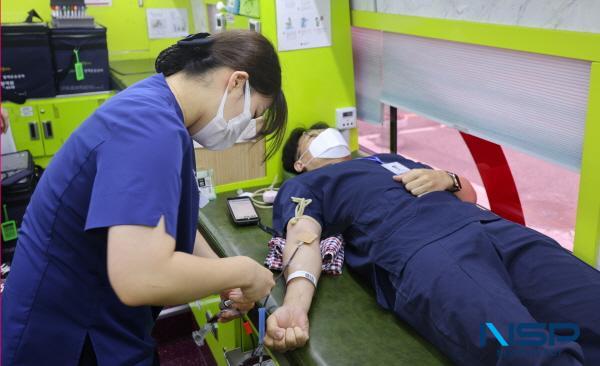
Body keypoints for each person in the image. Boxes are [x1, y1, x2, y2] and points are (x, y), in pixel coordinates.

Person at [2, 30, 285, 365]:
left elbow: (158, 220)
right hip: (67, 335)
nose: (243, 128)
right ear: (237, 82)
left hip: (90, 312)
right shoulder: (150, 129)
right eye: (252, 115)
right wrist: (243, 271)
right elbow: (140, 278)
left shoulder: (160, 108)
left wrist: (220, 274)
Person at [263, 124, 600, 365]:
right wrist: (294, 304)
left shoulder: (384, 157)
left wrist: (448, 179)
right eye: (312, 137)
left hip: (492, 229)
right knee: (525, 349)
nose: (325, 135)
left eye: (326, 130)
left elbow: (468, 195)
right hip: (425, 250)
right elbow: (303, 234)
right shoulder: (308, 182)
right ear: (300, 162)